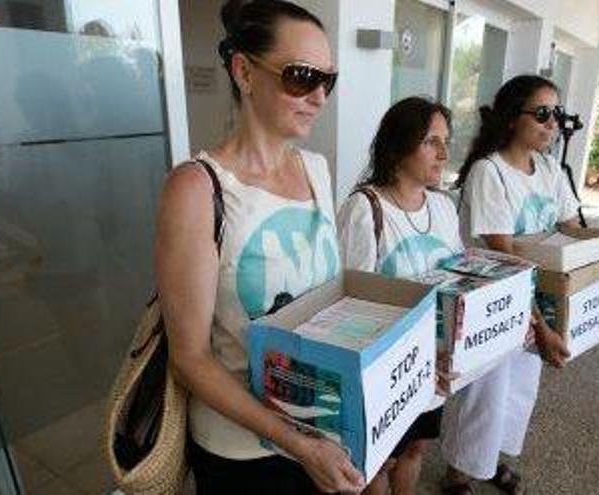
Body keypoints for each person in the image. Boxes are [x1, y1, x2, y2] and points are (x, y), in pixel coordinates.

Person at [154, 1, 364, 493]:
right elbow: (190, 358)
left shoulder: (317, 169)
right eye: (301, 76)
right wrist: (296, 442)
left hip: (320, 423)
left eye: (327, 80)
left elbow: (328, 304)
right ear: (244, 72)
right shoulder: (197, 189)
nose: (318, 96)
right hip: (244, 451)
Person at [440, 75, 576, 494]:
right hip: (493, 300)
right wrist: (543, 327)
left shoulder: (551, 168)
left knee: (518, 387)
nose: (552, 123)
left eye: (557, 114)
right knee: (484, 390)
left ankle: (490, 461)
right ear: (512, 119)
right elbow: (506, 264)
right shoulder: (489, 172)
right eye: (542, 113)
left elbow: (572, 233)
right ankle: (459, 473)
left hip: (536, 299)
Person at [337, 96, 461, 494]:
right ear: (398, 145)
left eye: (446, 140)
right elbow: (351, 305)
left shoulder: (443, 207)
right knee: (378, 462)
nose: (444, 153)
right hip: (388, 370)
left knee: (414, 450)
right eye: (431, 142)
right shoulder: (365, 208)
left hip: (436, 367)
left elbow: (461, 279)